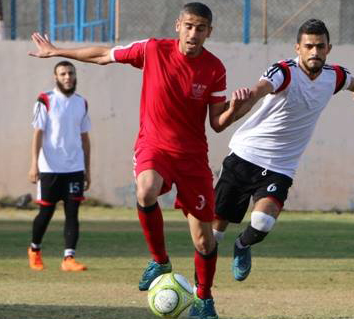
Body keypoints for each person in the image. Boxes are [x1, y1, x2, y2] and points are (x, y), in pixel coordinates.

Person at [28, 3, 248, 318]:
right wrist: (57, 51)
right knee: (145, 190)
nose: (194, 33)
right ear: (178, 25)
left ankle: (205, 299)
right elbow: (104, 55)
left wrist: (237, 108)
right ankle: (159, 260)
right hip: (154, 145)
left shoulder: (215, 68)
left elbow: (217, 123)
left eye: (201, 28)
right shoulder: (152, 50)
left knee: (203, 240)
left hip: (192, 157)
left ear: (209, 32)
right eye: (189, 26)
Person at [210, 19, 354, 282]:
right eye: (309, 46)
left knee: (263, 222)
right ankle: (201, 290)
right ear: (297, 48)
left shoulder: (334, 77)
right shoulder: (283, 72)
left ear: (328, 48)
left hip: (280, 167)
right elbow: (257, 91)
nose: (315, 52)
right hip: (245, 155)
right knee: (214, 235)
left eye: (320, 46)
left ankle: (242, 245)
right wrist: (234, 108)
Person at [27, 60, 91, 272]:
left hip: (74, 168)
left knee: (72, 212)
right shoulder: (45, 99)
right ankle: (34, 249)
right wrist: (33, 165)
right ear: (56, 77)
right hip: (49, 168)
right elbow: (38, 133)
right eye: (63, 73)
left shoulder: (82, 102)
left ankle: (69, 258)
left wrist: (87, 170)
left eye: (70, 73)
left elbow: (85, 138)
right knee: (46, 212)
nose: (67, 77)